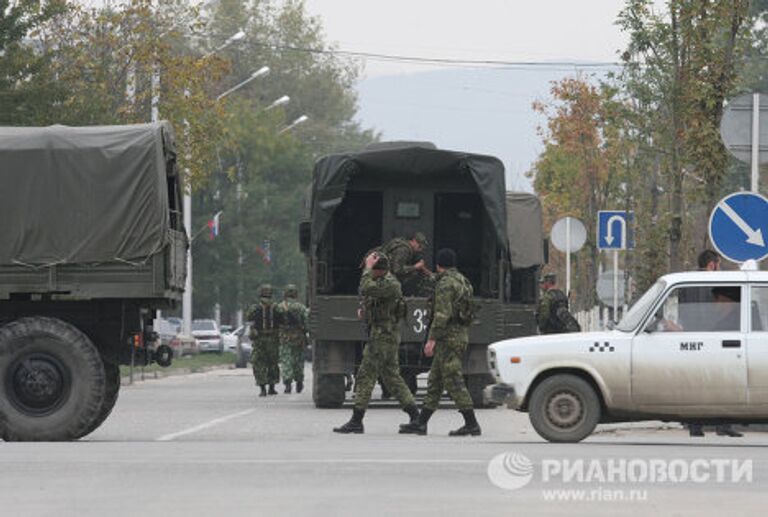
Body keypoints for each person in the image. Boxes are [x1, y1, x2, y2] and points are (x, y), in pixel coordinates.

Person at [333, 252, 420, 434]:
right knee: (392, 378)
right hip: (383, 335)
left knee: (366, 375)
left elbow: (365, 287)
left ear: (378, 270)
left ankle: (357, 421)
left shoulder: (390, 283)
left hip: (383, 337)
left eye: (373, 270)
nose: (369, 273)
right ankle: (415, 416)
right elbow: (372, 299)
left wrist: (367, 268)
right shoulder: (383, 282)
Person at [400, 248, 481, 437]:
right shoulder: (462, 280)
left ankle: (472, 423)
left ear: (438, 265)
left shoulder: (445, 284)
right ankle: (421, 423)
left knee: (453, 380)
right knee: (435, 381)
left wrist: (431, 340)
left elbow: (442, 315)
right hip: (459, 335)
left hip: (448, 338)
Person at [687, 250, 742, 438]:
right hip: (717, 340)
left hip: (691, 341)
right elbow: (723, 313)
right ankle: (723, 425)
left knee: (697, 386)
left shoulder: (687, 282)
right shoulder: (718, 284)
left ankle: (695, 426)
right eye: (719, 264)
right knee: (724, 384)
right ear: (712, 265)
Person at [247, 284, 280, 397]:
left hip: (259, 339)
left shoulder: (255, 307)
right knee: (272, 363)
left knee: (258, 362)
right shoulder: (277, 307)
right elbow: (282, 320)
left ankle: (262, 388)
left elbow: (249, 317)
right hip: (273, 339)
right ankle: (272, 387)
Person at [275, 284, 309, 394]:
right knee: (298, 361)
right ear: (296, 294)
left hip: (284, 338)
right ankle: (299, 382)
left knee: (286, 361)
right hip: (298, 339)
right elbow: (307, 323)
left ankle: (288, 384)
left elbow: (275, 323)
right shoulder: (301, 307)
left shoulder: (279, 307)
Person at [379, 231, 432, 296]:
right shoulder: (403, 249)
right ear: (413, 241)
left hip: (387, 276)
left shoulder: (410, 249)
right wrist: (415, 267)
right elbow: (397, 269)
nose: (421, 248)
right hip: (385, 278)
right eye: (419, 245)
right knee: (414, 275)